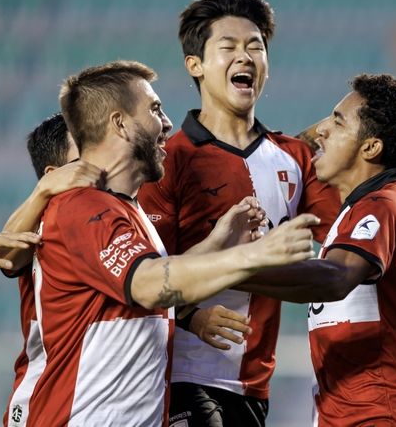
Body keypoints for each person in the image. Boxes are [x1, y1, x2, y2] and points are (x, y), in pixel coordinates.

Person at [137, 0, 396, 426]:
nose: (246, 57)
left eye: (255, 46)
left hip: (255, 384)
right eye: (229, 47)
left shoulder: (297, 160)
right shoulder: (167, 162)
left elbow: (349, 254)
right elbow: (140, 275)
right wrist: (191, 315)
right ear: (195, 64)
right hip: (182, 373)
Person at [24, 60, 318, 426]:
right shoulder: (83, 208)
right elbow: (149, 284)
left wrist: (217, 241)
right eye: (154, 109)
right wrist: (254, 254)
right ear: (119, 123)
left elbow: (158, 277)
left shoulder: (126, 210)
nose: (166, 123)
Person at [294, 74, 396, 425]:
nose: (321, 131)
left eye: (336, 121)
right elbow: (294, 151)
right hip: (353, 412)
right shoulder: (360, 210)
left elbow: (335, 278)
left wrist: (237, 268)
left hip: (381, 413)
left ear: (370, 148)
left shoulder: (384, 204)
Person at [0, 113, 104, 427]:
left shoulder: (113, 215)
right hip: (42, 401)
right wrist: (44, 192)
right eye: (85, 158)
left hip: (95, 402)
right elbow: (5, 255)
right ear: (52, 174)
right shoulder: (47, 220)